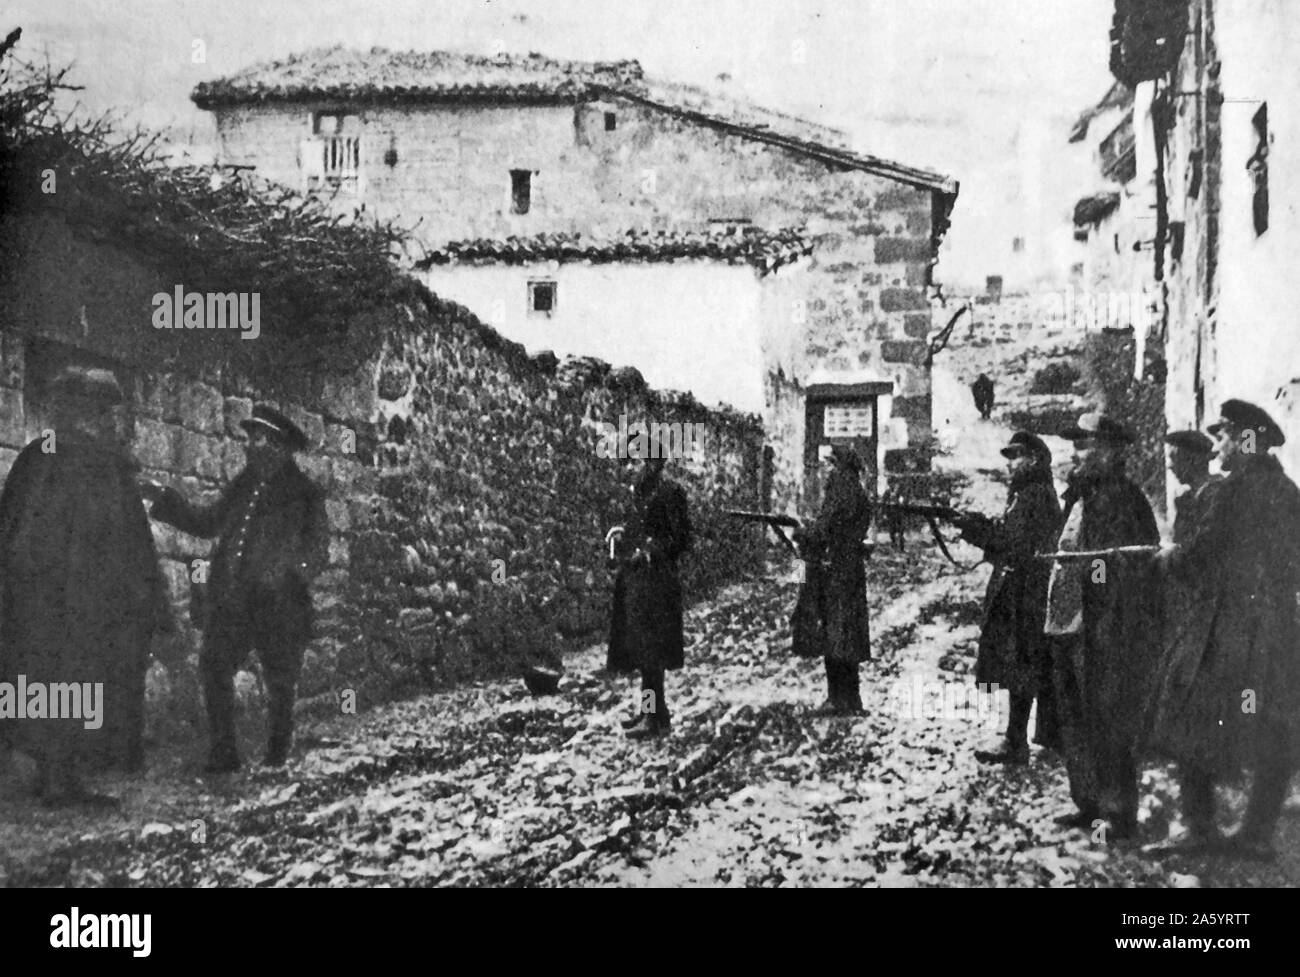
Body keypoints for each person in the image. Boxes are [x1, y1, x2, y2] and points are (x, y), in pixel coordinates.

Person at [0, 366, 169, 806]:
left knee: (51, 681)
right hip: (84, 605)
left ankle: (59, 775)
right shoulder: (102, 464)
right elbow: (131, 544)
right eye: (103, 411)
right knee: (79, 680)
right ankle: (61, 778)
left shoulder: (38, 455)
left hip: (42, 604)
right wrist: (146, 600)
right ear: (90, 413)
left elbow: (11, 533)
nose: (109, 420)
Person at [1146, 401, 1300, 859]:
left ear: (1249, 440)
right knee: (1273, 725)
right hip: (1279, 628)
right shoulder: (1288, 491)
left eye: (1228, 436)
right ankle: (1256, 833)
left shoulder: (1233, 493)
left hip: (1230, 627)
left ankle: (1198, 825)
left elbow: (1198, 556)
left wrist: (1167, 558)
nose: (1219, 447)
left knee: (1191, 708)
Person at [143, 405, 329, 772]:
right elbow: (207, 522)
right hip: (235, 602)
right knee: (214, 666)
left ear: (278, 445)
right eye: (250, 439)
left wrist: (288, 576)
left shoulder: (304, 493)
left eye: (258, 439)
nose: (250, 446)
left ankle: (277, 754)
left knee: (280, 680)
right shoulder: (243, 486)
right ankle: (224, 754)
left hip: (280, 605)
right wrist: (165, 497)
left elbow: (317, 549)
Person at [1044, 412, 1160, 840]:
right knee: (1075, 720)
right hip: (1068, 625)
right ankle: (1088, 803)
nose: (1077, 453)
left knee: (1108, 719)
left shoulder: (1127, 500)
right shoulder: (1079, 496)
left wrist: (1096, 577)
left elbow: (1127, 568)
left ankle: (1117, 812)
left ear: (1112, 451)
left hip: (1105, 630)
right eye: (1075, 445)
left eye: (1086, 444)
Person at [959, 431, 1062, 762]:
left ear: (1033, 459)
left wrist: (976, 532)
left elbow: (1013, 543)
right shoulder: (1027, 493)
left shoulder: (1035, 494)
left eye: (1016, 457)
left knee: (1022, 664)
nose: (1010, 465)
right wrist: (980, 525)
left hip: (1027, 592)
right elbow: (1010, 533)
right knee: (1020, 664)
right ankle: (1016, 737)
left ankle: (1016, 742)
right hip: (1022, 589)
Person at [605, 444, 692, 740]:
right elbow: (639, 529)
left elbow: (681, 538)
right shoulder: (639, 492)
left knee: (652, 655)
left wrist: (652, 551)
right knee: (643, 653)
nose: (637, 465)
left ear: (656, 462)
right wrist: (624, 536)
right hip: (639, 581)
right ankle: (653, 713)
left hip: (658, 584)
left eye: (643, 460)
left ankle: (654, 719)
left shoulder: (671, 493)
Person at [791, 445, 872, 715]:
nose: (827, 469)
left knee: (833, 634)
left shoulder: (840, 487)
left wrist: (802, 532)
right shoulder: (857, 490)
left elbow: (824, 530)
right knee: (847, 636)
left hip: (832, 572)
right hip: (850, 571)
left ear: (840, 466)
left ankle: (836, 699)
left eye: (830, 463)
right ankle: (852, 699)